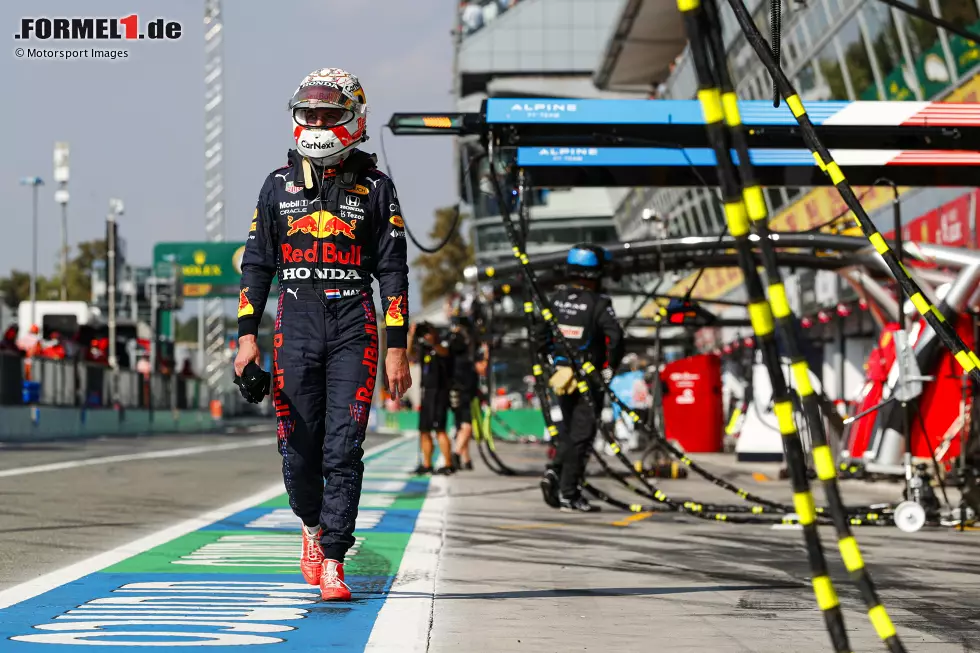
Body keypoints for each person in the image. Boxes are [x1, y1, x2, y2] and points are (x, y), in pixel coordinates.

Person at [234, 67, 412, 602]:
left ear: (353, 119)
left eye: (327, 114)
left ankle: (334, 558)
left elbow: (394, 272)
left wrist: (398, 348)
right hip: (296, 322)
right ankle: (310, 526)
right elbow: (257, 264)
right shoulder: (275, 185)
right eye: (308, 113)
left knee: (344, 447)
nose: (316, 123)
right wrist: (246, 338)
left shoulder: (378, 188)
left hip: (355, 324)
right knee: (298, 451)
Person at [538, 244, 625, 513]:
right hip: (589, 379)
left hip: (561, 377)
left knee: (569, 431)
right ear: (594, 272)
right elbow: (618, 338)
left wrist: (551, 362)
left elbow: (540, 335)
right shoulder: (598, 303)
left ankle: (554, 473)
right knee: (582, 435)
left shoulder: (555, 299)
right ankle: (569, 493)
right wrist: (609, 369)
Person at [408, 322, 455, 475]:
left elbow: (445, 353)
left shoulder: (442, 346)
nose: (425, 336)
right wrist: (411, 335)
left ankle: (448, 464)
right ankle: (427, 464)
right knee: (424, 430)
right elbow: (409, 355)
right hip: (426, 393)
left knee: (440, 429)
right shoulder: (424, 349)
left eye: (428, 332)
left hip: (439, 393)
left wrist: (432, 342)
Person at [448, 316, 479, 471]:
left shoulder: (463, 347)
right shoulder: (457, 345)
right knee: (467, 426)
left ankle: (466, 460)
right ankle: (456, 453)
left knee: (461, 425)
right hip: (461, 389)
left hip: (463, 388)